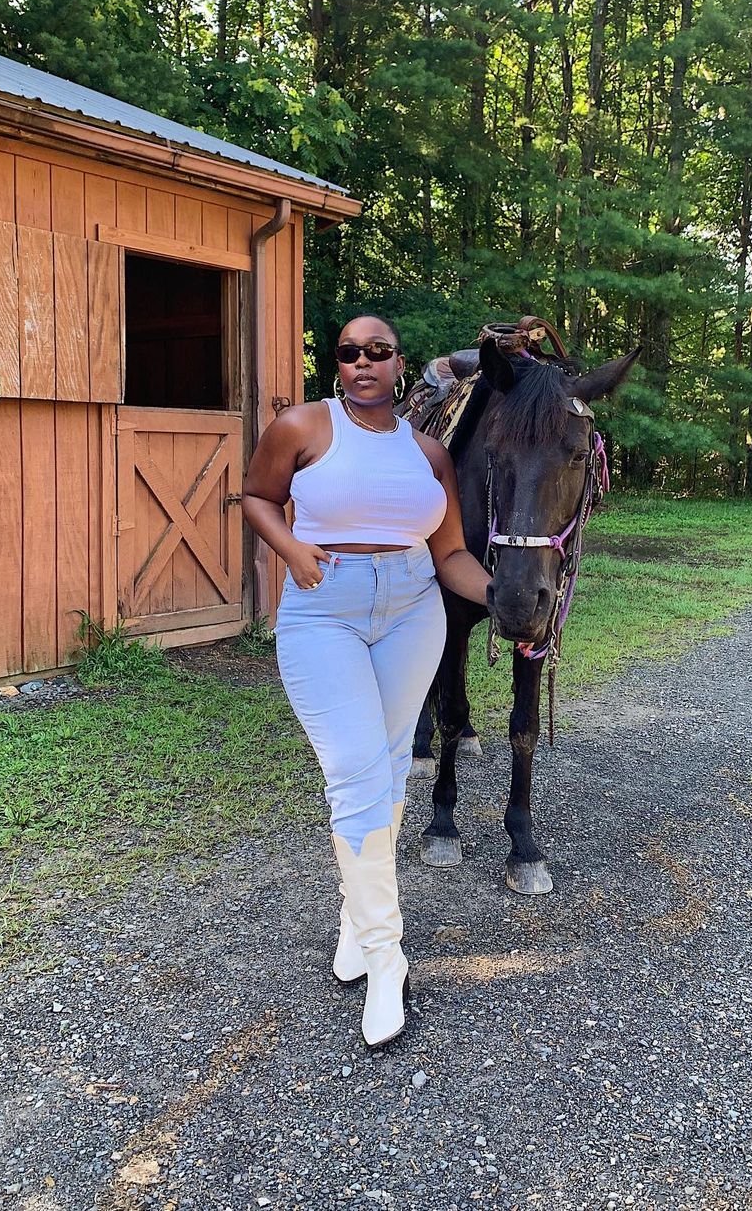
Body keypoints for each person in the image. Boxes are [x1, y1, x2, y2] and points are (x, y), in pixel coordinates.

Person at [242, 315, 491, 1047]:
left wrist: (505, 595)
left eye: (378, 351)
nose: (363, 361)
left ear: (398, 363)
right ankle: (388, 958)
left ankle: (358, 923)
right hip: (325, 607)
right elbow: (257, 497)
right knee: (354, 770)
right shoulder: (303, 427)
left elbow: (450, 556)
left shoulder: (428, 455)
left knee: (389, 768)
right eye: (349, 351)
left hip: (414, 606)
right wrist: (293, 550)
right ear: (339, 363)